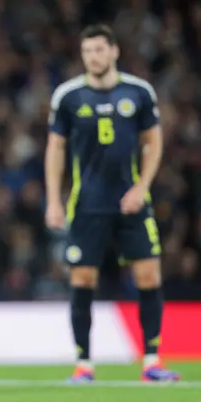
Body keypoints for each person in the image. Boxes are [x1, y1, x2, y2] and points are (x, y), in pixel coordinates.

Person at [45, 25, 179, 382]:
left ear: (114, 51)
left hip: (131, 201)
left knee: (149, 275)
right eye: (87, 51)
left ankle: (152, 360)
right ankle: (83, 364)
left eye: (100, 50)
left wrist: (142, 187)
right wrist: (53, 200)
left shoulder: (138, 92)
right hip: (87, 203)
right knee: (82, 279)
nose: (94, 57)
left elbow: (154, 142)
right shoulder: (68, 96)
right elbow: (55, 149)